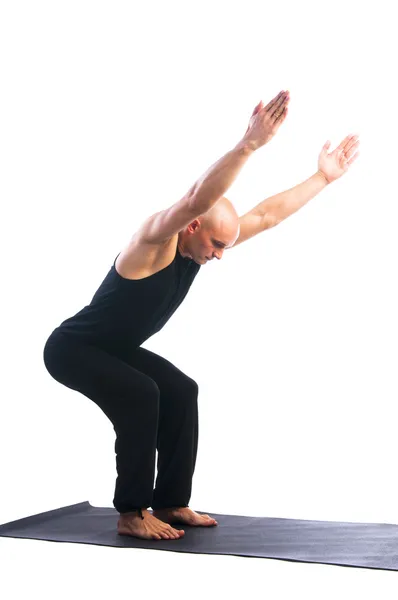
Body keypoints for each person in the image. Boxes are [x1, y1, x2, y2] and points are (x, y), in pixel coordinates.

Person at [43, 90, 359, 541]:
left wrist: (322, 178)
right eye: (216, 246)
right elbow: (194, 198)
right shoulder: (151, 244)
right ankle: (132, 512)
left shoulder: (199, 250)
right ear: (193, 227)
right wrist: (249, 145)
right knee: (141, 394)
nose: (220, 256)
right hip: (72, 350)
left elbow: (267, 216)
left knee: (179, 390)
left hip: (113, 348)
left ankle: (171, 502)